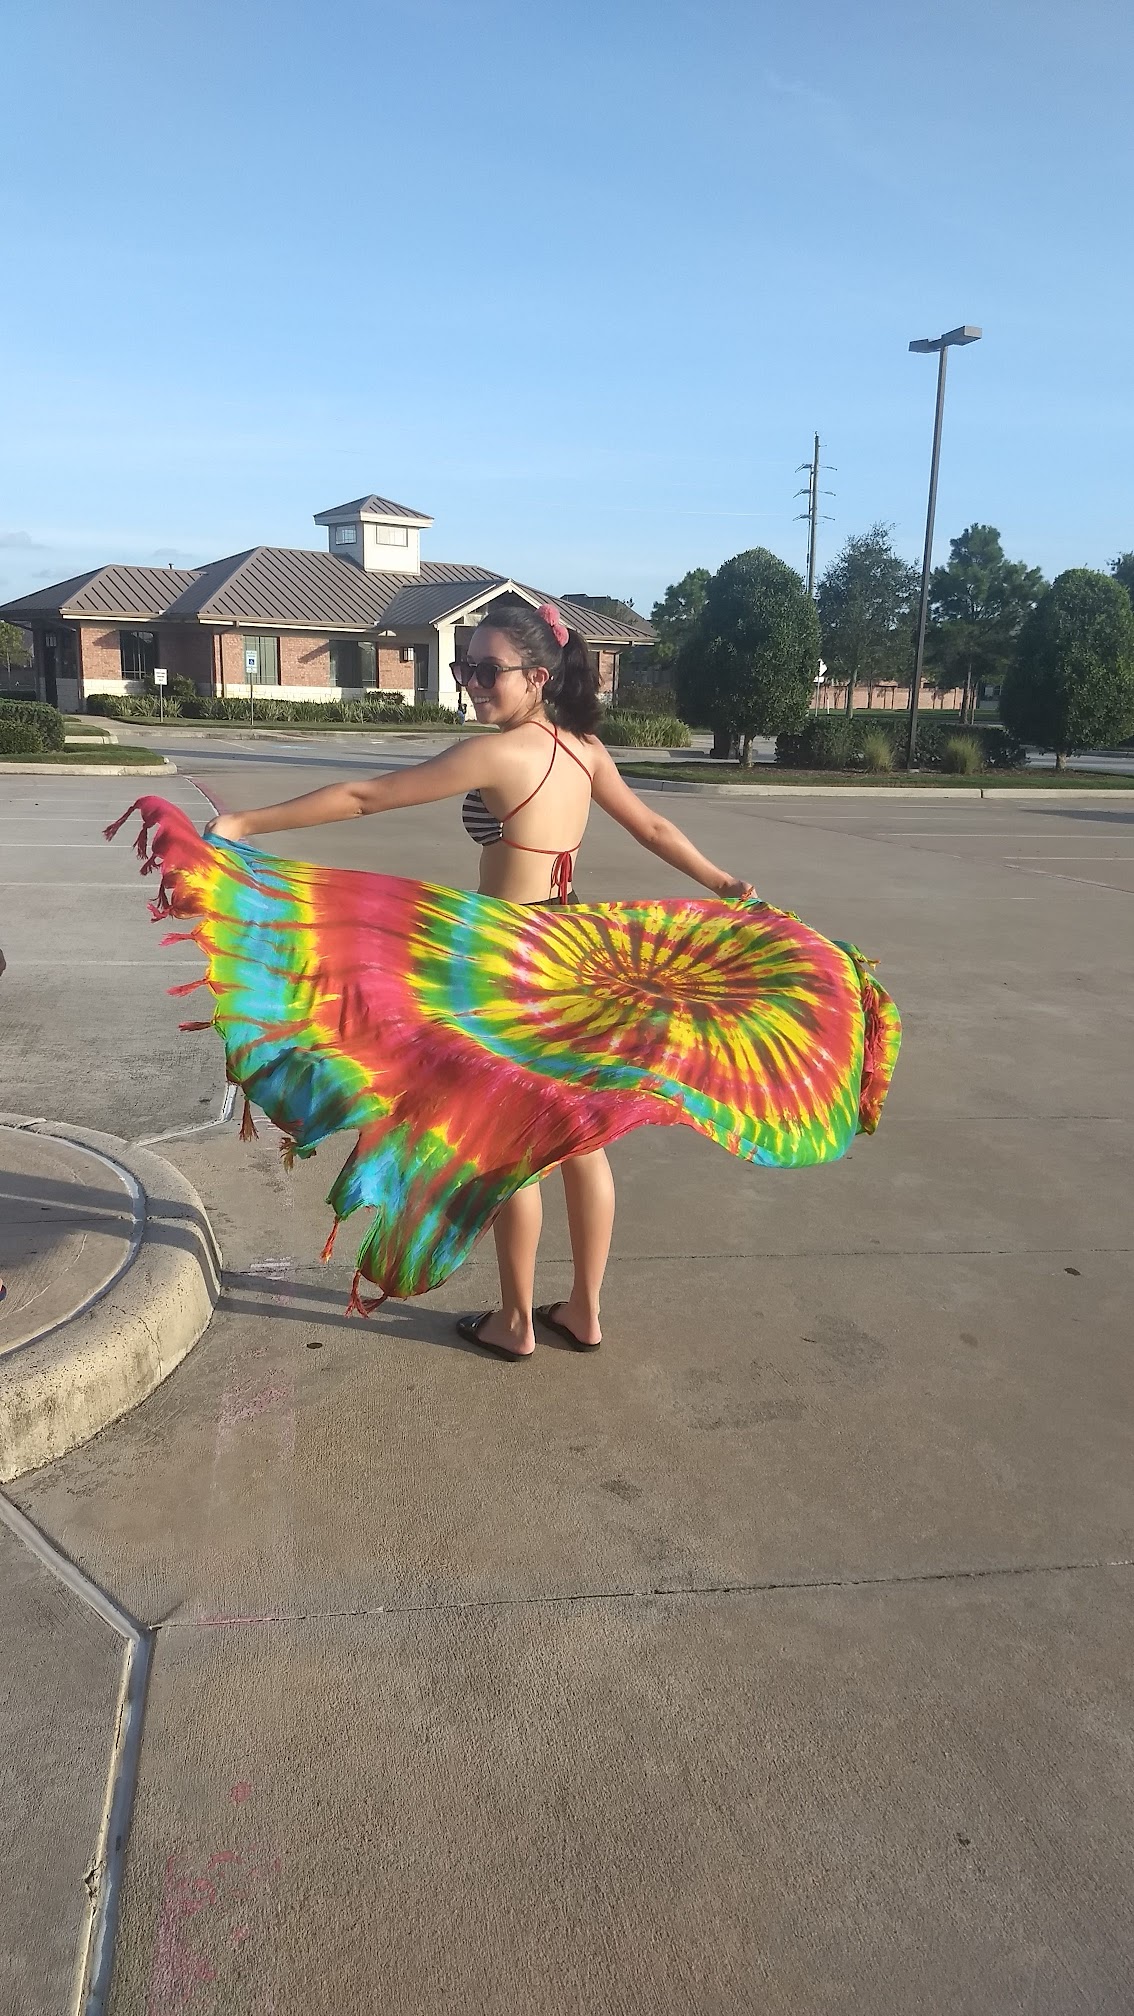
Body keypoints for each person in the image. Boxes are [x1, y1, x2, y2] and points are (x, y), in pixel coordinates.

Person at [205, 600, 755, 1362]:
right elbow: (653, 828)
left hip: (508, 964)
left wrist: (245, 825)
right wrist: (723, 882)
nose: (471, 683)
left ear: (537, 677)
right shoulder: (585, 749)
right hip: (572, 954)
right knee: (580, 1141)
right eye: (466, 667)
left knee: (511, 1143)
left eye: (487, 671)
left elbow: (366, 797)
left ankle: (517, 1322)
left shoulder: (499, 755)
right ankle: (585, 1312)